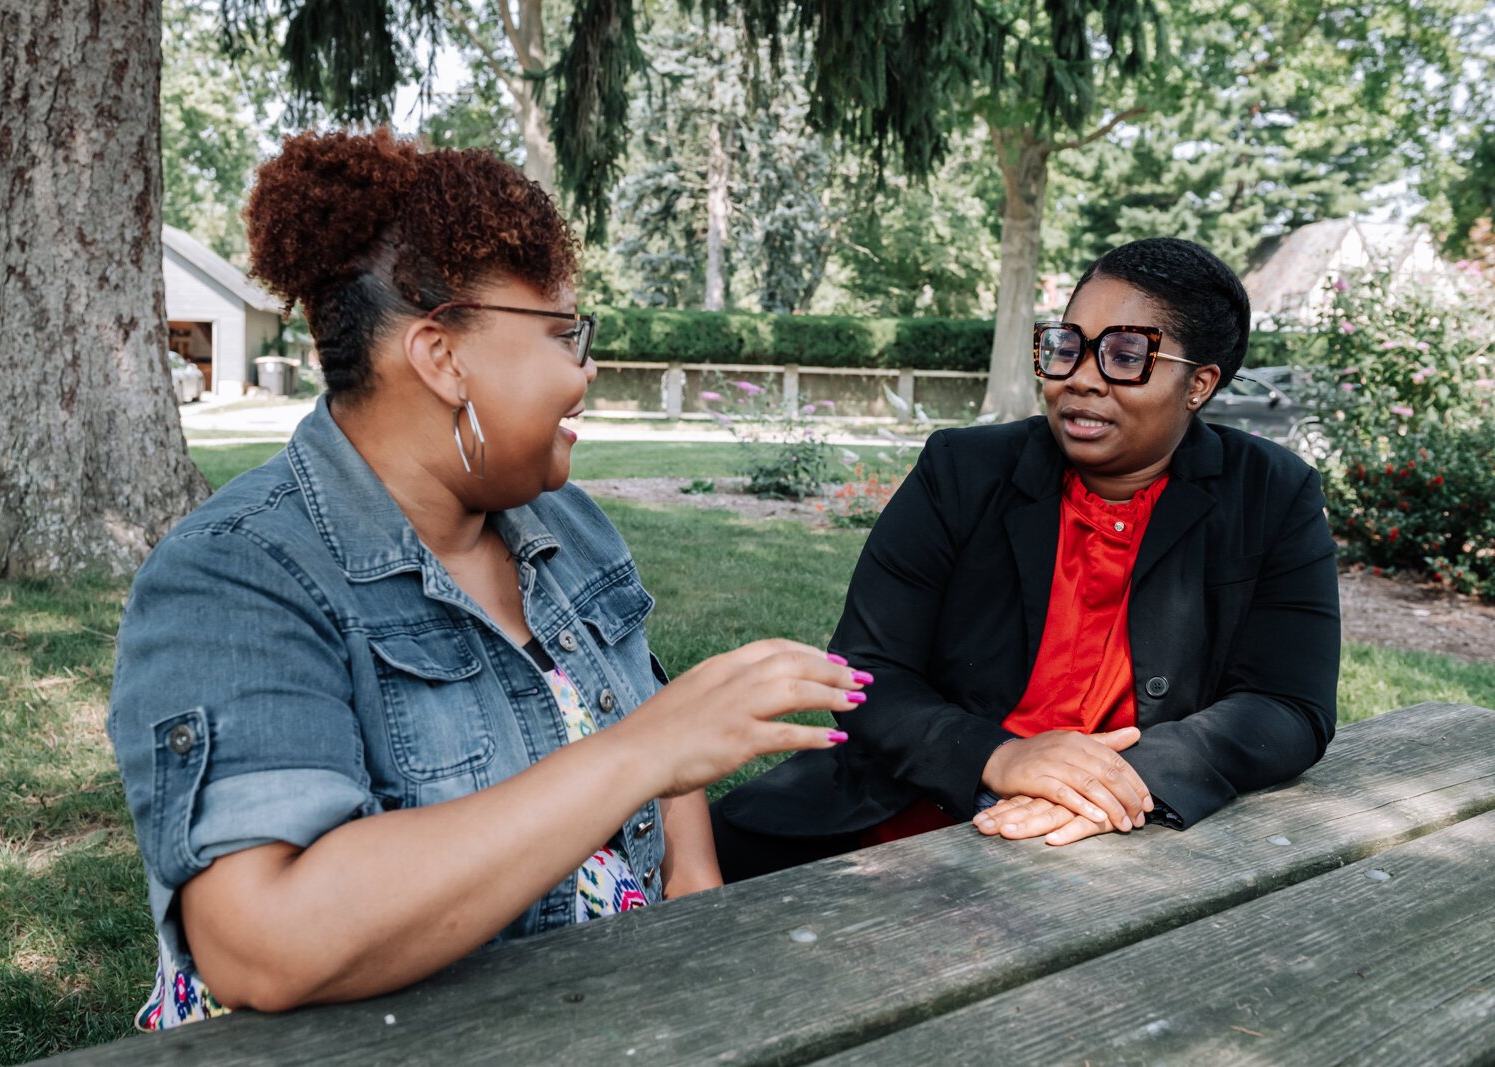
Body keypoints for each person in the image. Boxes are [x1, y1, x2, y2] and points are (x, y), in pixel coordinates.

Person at [107, 129, 872, 1029]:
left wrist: (692, 910)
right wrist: (640, 751)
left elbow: (656, 733)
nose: (585, 368)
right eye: (563, 334)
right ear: (442, 357)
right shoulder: (240, 572)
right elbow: (258, 941)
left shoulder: (563, 523)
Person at [712, 237, 1341, 880]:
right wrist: (1001, 757)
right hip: (904, 816)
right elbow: (866, 672)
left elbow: (1289, 705)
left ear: (1198, 385)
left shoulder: (1271, 494)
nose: (1082, 377)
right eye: (1068, 345)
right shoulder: (961, 472)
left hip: (1116, 846)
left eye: (1127, 355)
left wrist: (1114, 782)